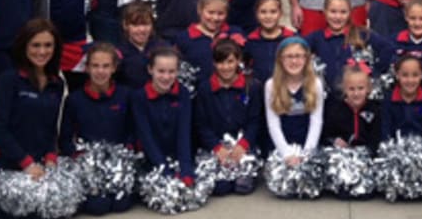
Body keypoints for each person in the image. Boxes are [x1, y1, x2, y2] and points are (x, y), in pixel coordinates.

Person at [0, 19, 65, 219]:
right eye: (35, 45)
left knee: (61, 208)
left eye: (48, 45)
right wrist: (26, 163)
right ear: (24, 46)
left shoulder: (56, 83)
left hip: (37, 166)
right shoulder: (8, 80)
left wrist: (51, 157)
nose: (42, 52)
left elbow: (51, 127)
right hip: (4, 166)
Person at [57, 42, 134, 215]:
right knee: (97, 208)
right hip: (88, 164)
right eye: (95, 66)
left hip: (119, 163)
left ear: (114, 68)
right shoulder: (74, 100)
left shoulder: (125, 95)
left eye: (106, 66)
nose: (100, 71)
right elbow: (65, 138)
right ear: (87, 68)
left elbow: (133, 130)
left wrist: (126, 153)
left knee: (121, 205)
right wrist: (79, 158)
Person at [195, 38, 263, 196]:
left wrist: (244, 144)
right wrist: (217, 148)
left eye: (230, 62)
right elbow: (201, 124)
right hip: (217, 146)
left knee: (242, 187)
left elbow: (255, 120)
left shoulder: (251, 87)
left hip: (242, 145)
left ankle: (243, 174)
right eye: (220, 62)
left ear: (238, 61)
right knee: (221, 188)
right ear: (213, 63)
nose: (225, 67)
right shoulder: (205, 89)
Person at [305, 0, 393, 95]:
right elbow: (295, 48)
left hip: (357, 98)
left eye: (343, 12)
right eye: (333, 11)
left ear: (350, 12)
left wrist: (374, 72)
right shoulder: (317, 38)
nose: (337, 17)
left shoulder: (362, 34)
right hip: (328, 100)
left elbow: (388, 48)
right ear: (324, 12)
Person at [131, 46, 196, 187]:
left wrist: (185, 170)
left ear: (178, 71)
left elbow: (184, 133)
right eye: (161, 71)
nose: (166, 77)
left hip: (177, 157)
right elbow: (146, 137)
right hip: (151, 159)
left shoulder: (183, 94)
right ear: (150, 69)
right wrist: (164, 170)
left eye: (171, 71)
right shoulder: (139, 97)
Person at [265, 37, 325, 164]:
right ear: (280, 59)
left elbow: (316, 121)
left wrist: (307, 153)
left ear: (306, 59)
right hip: (281, 146)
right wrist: (286, 153)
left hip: (307, 144)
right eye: (289, 56)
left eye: (298, 56)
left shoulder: (315, 84)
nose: (294, 61)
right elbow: (273, 123)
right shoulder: (271, 85)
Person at [173, 0, 244, 81]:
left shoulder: (235, 33)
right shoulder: (185, 38)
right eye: (210, 12)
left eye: (220, 14)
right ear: (199, 10)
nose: (215, 18)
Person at [381, 53, 422, 143]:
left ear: (421, 75)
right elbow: (385, 132)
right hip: (394, 151)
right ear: (397, 75)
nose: (410, 80)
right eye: (405, 75)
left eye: (415, 75)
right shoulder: (388, 101)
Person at [322, 64, 381, 152]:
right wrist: (334, 141)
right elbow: (325, 135)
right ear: (345, 89)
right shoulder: (336, 110)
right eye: (351, 89)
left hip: (368, 157)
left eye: (360, 88)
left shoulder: (375, 109)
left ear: (368, 89)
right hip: (341, 156)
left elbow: (377, 138)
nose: (356, 93)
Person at [243, 0, 296, 85]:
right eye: (263, 12)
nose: (268, 16)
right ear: (256, 14)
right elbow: (245, 67)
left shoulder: (291, 38)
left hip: (285, 88)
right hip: (259, 91)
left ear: (280, 13)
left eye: (273, 12)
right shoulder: (250, 40)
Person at [116, 0, 162, 90]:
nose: (141, 29)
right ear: (125, 25)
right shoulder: (118, 53)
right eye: (135, 25)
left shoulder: (162, 48)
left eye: (146, 24)